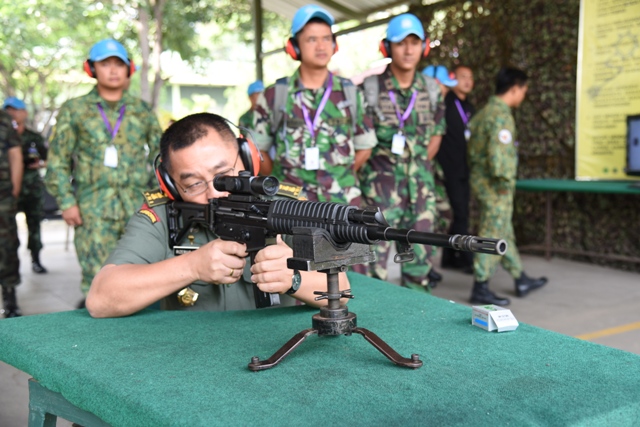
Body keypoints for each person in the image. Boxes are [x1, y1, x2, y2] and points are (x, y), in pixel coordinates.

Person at [86, 113, 350, 317]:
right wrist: (192, 266)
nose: (215, 192)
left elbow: (342, 290)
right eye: (193, 184)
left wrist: (295, 279)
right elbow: (100, 300)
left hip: (274, 350)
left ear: (248, 159)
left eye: (223, 175)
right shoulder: (162, 217)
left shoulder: (283, 207)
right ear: (170, 185)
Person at [46, 38, 163, 306]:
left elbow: (161, 156)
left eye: (118, 64)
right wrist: (66, 201)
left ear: (128, 69)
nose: (112, 70)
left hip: (138, 207)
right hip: (93, 210)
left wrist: (159, 198)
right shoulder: (75, 110)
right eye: (105, 64)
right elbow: (58, 159)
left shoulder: (142, 110)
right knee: (96, 278)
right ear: (91, 69)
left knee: (144, 273)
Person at [249, 4, 377, 206]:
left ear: (334, 45)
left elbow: (365, 147)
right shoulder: (275, 95)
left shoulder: (351, 93)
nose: (321, 46)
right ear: (294, 46)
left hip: (341, 204)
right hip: (291, 206)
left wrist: (338, 178)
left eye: (326, 38)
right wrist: (284, 182)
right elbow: (258, 151)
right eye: (311, 39)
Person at [358, 13, 446, 292]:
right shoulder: (368, 90)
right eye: (400, 43)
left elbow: (436, 136)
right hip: (379, 196)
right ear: (387, 47)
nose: (408, 50)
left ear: (424, 46)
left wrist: (416, 168)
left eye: (414, 42)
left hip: (421, 195)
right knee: (373, 271)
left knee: (419, 270)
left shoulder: (432, 90)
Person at [467, 67, 547, 306]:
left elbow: (472, 149)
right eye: (523, 90)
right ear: (514, 88)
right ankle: (480, 285)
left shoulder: (483, 113)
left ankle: (520, 278)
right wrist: (503, 183)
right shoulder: (501, 116)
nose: (523, 95)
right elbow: (499, 156)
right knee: (492, 232)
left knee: (503, 230)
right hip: (495, 186)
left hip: (480, 180)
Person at [436, 65, 476, 273]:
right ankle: (468, 259)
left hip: (464, 168)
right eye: (463, 77)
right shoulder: (446, 104)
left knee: (460, 213)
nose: (467, 81)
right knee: (459, 214)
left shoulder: (470, 107)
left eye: (470, 77)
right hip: (448, 168)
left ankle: (449, 257)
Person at [4, 97, 49, 273]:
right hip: (7, 191)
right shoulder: (4, 137)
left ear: (24, 113)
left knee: (34, 224)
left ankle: (36, 259)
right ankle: (10, 266)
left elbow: (49, 159)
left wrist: (40, 164)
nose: (12, 115)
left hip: (31, 189)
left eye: (15, 110)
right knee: (7, 229)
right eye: (8, 111)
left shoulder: (34, 137)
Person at [0, 109, 24, 318]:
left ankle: (10, 298)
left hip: (3, 196)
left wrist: (14, 189)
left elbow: (15, 154)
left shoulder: (4, 119)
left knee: (7, 246)